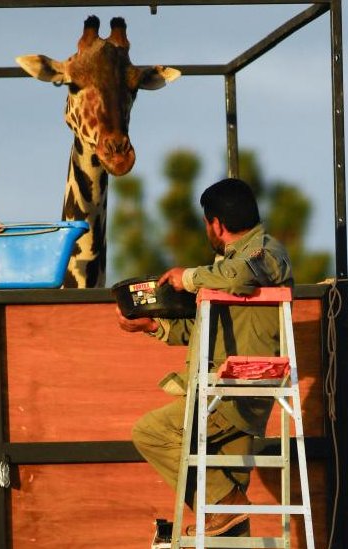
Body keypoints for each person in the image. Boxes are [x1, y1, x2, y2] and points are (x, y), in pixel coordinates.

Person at [116, 177, 293, 537]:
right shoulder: (225, 268)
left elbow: (242, 276)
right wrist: (153, 327)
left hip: (233, 395)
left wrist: (190, 277)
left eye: (206, 223)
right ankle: (229, 507)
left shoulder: (264, 251)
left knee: (151, 432)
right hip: (222, 394)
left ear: (216, 224)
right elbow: (203, 329)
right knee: (226, 521)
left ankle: (229, 504)